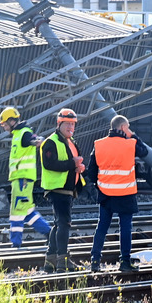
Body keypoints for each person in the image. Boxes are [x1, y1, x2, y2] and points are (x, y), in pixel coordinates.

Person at [87, 115, 148, 273]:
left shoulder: (99, 144)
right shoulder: (131, 144)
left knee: (102, 227)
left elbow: (92, 173)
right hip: (126, 193)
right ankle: (125, 262)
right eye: (127, 127)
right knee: (125, 228)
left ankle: (95, 261)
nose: (129, 130)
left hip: (105, 193)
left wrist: (101, 184)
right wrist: (132, 135)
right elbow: (144, 151)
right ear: (122, 128)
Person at [40, 108, 86, 273]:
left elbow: (72, 163)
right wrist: (72, 164)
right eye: (67, 124)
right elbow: (49, 164)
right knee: (64, 224)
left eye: (73, 124)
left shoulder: (71, 142)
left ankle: (50, 260)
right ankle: (63, 261)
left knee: (58, 224)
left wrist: (79, 168)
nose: (70, 127)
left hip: (67, 190)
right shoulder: (51, 142)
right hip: (57, 189)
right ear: (59, 123)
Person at [0, 107, 52, 248]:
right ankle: (50, 233)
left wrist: (40, 141)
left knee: (17, 211)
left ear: (11, 121)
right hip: (21, 179)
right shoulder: (17, 134)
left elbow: (35, 140)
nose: (4, 127)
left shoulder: (24, 133)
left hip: (23, 180)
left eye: (4, 124)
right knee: (27, 211)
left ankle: (15, 244)